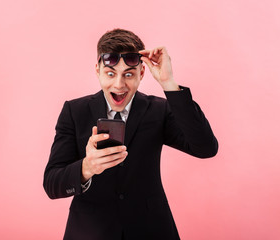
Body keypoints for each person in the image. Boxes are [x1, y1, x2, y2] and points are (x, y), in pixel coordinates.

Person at [43, 28, 218, 240]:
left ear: (141, 73)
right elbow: (52, 184)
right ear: (97, 70)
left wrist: (168, 83)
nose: (119, 84)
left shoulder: (159, 110)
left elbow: (206, 148)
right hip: (90, 231)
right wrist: (87, 167)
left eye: (128, 74)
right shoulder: (74, 111)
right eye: (110, 73)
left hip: (151, 230)